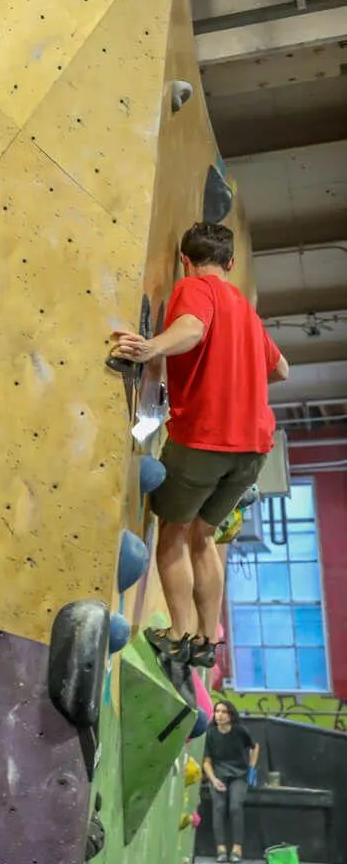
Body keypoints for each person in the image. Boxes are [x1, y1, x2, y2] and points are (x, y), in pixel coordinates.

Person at [110, 222, 287, 669]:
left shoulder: (194, 287)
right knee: (204, 536)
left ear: (185, 260)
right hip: (254, 448)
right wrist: (238, 375)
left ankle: (177, 635)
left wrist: (151, 348)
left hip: (206, 439)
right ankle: (208, 642)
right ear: (231, 263)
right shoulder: (246, 311)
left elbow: (190, 329)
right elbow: (281, 368)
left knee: (172, 532)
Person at [204, 697, 259, 864]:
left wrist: (252, 768)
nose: (219, 715)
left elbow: (255, 746)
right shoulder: (210, 733)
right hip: (218, 774)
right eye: (217, 711)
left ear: (230, 715)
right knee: (219, 807)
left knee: (235, 806)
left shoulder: (239, 731)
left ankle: (237, 848)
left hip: (239, 774)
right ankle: (220, 849)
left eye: (223, 712)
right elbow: (206, 761)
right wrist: (213, 780)